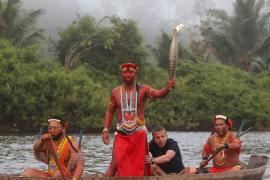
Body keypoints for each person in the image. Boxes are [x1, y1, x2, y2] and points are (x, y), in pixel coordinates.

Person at [102, 62, 175, 176]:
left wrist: (168, 88)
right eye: (125, 72)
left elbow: (159, 93)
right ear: (121, 74)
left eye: (131, 72)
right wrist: (106, 129)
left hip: (139, 134)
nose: (128, 74)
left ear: (136, 74)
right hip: (121, 134)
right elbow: (110, 111)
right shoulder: (115, 92)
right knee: (115, 162)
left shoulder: (144, 89)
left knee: (142, 164)